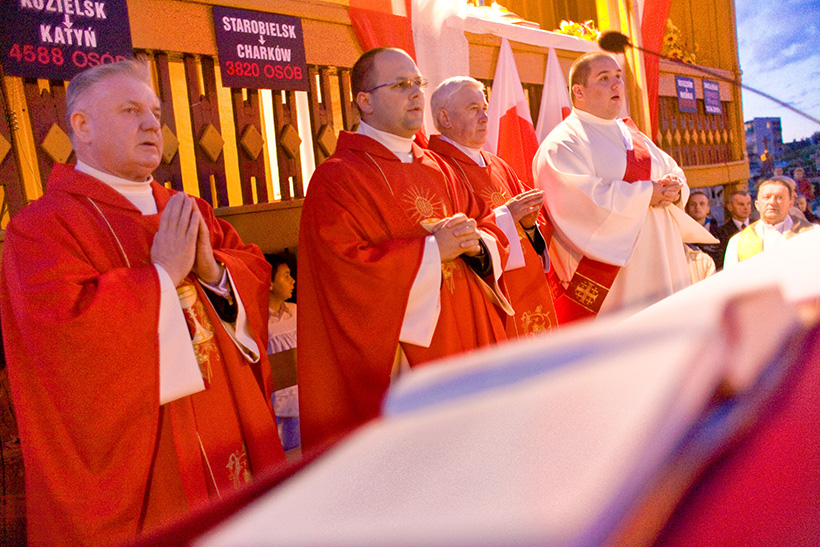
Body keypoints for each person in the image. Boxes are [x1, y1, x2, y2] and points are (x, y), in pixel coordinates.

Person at [0, 59, 285, 546]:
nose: (153, 123)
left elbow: (252, 274)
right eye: (131, 110)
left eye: (154, 111)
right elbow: (62, 337)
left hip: (225, 419)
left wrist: (216, 273)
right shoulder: (43, 227)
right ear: (82, 126)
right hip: (146, 453)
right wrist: (162, 278)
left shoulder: (187, 207)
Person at [297, 47, 511, 449]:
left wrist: (476, 242)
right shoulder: (338, 178)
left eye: (418, 83)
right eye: (400, 85)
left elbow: (484, 222)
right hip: (406, 362)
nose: (416, 94)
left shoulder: (437, 165)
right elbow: (345, 273)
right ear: (365, 101)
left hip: (465, 340)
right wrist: (433, 252)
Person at [532, 52, 714, 322]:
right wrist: (647, 193)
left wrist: (675, 189)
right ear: (578, 92)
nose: (617, 84)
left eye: (618, 77)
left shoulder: (633, 135)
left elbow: (672, 170)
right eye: (604, 78)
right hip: (619, 278)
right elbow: (579, 203)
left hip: (664, 257)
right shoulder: (563, 143)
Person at [427, 77, 558, 337]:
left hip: (528, 290)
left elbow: (532, 230)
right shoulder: (435, 170)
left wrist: (531, 224)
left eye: (485, 108)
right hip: (489, 298)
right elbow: (454, 238)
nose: (485, 117)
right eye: (473, 109)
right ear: (444, 118)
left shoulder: (498, 165)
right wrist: (507, 216)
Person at [724, 177, 815, 266]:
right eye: (766, 197)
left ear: (790, 204)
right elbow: (731, 279)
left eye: (779, 197)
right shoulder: (738, 241)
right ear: (757, 205)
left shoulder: (812, 233)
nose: (772, 202)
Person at [265, 253, 300, 452]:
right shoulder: (256, 320)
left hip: (300, 401)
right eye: (286, 276)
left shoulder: (297, 312)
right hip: (274, 406)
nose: (292, 280)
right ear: (269, 283)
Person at [712, 190, 752, 268]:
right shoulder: (721, 233)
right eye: (741, 204)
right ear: (730, 207)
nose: (746, 207)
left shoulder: (758, 226)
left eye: (748, 204)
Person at [684, 190, 721, 265]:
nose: (698, 207)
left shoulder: (721, 234)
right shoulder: (683, 235)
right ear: (687, 209)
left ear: (708, 209)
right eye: (693, 204)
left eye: (702, 204)